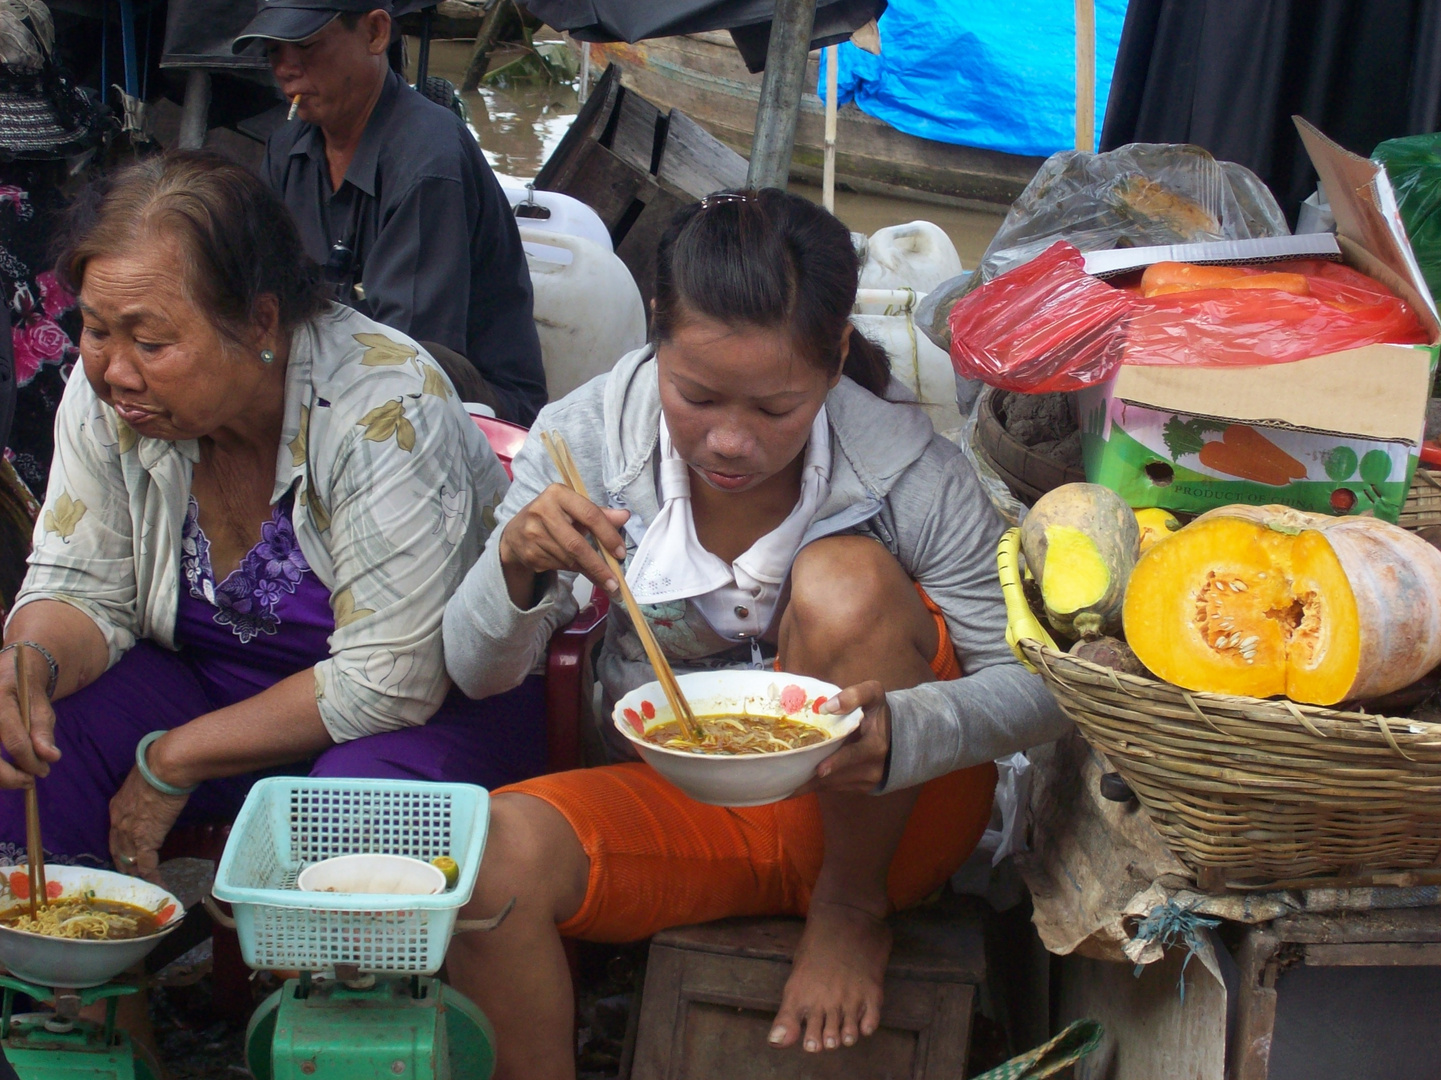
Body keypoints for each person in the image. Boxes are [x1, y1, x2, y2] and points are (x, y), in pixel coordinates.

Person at [440, 189, 1070, 1079]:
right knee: (489, 863)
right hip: (684, 807)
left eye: (775, 409)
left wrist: (910, 732)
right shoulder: (583, 443)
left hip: (894, 820)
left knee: (842, 583)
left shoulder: (908, 470)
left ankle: (848, 912)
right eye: (695, 396)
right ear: (656, 328)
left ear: (835, 355)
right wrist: (515, 564)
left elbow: (1042, 688)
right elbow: (472, 671)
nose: (729, 443)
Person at [0, 151, 545, 879]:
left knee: (350, 814)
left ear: (260, 321)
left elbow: (393, 678)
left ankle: (322, 992)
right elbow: (82, 585)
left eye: (151, 341)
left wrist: (172, 759)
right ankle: (89, 986)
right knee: (23, 747)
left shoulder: (385, 407)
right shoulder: (114, 397)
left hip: (426, 712)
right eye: (96, 330)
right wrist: (27, 664)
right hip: (207, 687)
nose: (115, 370)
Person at [233, 0, 547, 426]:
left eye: (305, 46)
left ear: (375, 34)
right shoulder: (287, 148)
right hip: (336, 370)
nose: (286, 69)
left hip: (466, 400)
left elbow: (409, 357)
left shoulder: (428, 161)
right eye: (274, 52)